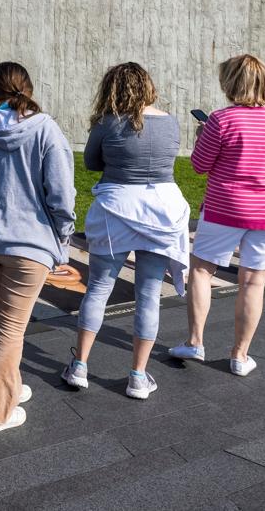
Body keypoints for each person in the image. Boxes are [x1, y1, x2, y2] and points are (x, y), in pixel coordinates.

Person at [0, 62, 76, 433]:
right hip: (28, 247)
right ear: (28, 88)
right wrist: (64, 237)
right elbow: (61, 196)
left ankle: (6, 386)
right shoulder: (47, 131)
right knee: (10, 327)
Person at [63, 63, 189, 401]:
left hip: (116, 207)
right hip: (163, 208)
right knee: (148, 295)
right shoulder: (171, 122)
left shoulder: (108, 123)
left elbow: (91, 162)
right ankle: (137, 375)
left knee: (99, 288)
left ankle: (80, 366)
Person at [170, 54, 265, 377]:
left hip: (227, 207)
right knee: (254, 283)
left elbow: (200, 165)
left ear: (231, 83)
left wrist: (202, 137)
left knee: (201, 271)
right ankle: (240, 355)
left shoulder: (221, 120)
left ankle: (195, 341)